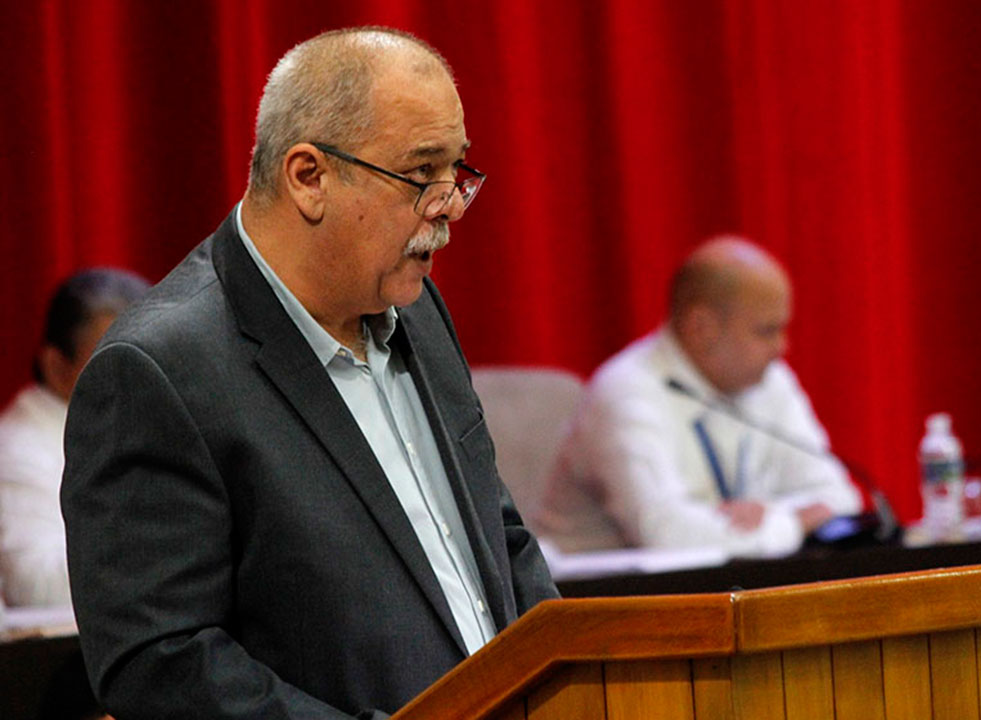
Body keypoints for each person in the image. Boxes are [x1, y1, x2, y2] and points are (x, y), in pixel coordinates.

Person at [61, 27, 558, 720]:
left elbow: (498, 539)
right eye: (421, 174)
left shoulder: (415, 307)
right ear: (309, 177)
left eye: (458, 173)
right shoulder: (157, 370)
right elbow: (160, 662)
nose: (449, 207)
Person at [537, 236, 862, 558]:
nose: (781, 347)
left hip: (713, 594)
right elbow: (666, 535)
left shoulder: (769, 379)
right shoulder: (625, 391)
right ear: (700, 327)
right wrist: (790, 525)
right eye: (766, 331)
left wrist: (767, 513)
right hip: (590, 601)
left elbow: (841, 498)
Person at [0, 268, 148, 607]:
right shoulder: (17, 451)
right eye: (113, 360)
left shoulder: (137, 426)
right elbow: (36, 588)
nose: (137, 378)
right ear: (56, 367)